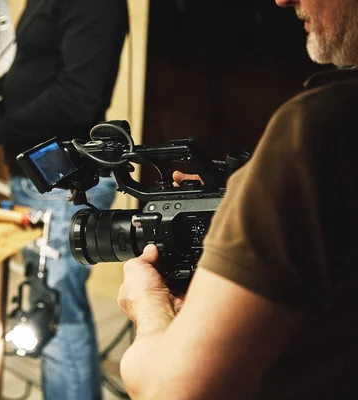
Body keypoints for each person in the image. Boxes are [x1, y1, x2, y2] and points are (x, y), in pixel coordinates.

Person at [117, 0, 358, 398]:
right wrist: (247, 192)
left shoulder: (321, 129)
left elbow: (172, 391)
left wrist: (151, 306)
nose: (282, 0)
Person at [0, 0, 129, 398]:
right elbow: (33, 74)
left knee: (54, 314)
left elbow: (79, 96)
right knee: (56, 310)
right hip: (40, 182)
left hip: (67, 184)